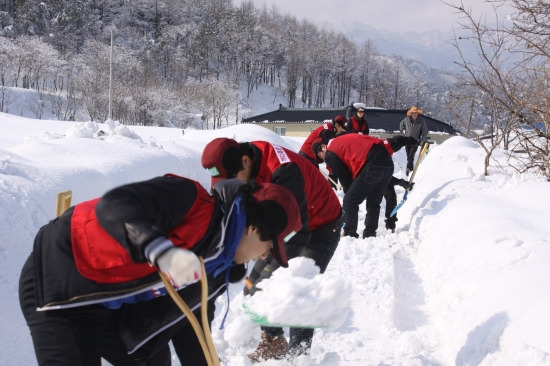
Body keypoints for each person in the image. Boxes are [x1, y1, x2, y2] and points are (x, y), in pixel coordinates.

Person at [19, 175, 302, 366]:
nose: (265, 255)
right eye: (269, 246)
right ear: (253, 229)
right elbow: (115, 204)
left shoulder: (219, 267)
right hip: (63, 278)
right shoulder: (194, 202)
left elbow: (193, 327)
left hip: (113, 309)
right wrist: (162, 252)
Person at [201, 138, 343, 362]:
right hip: (284, 227)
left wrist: (272, 261)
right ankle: (274, 340)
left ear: (245, 161)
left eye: (230, 179)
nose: (231, 185)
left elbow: (298, 232)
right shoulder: (247, 160)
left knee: (296, 288)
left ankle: (299, 355)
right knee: (251, 287)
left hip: (320, 228)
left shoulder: (283, 172)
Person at [312, 134, 417, 238]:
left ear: (323, 147)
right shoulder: (350, 142)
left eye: (320, 156)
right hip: (388, 166)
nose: (323, 159)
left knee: (349, 201)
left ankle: (349, 234)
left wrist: (351, 194)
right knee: (373, 202)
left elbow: (344, 177)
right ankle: (370, 234)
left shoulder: (331, 152)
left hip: (370, 166)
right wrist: (412, 140)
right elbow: (393, 142)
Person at [399, 106, 428, 176]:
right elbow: (401, 124)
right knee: (409, 156)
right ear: (410, 113)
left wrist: (423, 140)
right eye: (412, 113)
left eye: (415, 113)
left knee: (411, 155)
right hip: (407, 140)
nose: (414, 114)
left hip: (415, 141)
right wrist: (403, 130)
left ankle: (408, 169)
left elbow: (424, 131)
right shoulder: (406, 120)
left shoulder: (421, 121)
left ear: (417, 113)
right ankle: (411, 169)